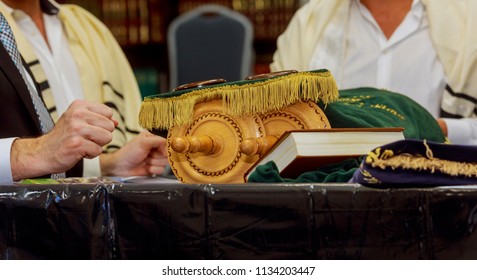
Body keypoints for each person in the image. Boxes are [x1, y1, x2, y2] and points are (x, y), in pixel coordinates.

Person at [0, 0, 169, 183]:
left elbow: (59, 156)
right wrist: (40, 151)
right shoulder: (5, 32)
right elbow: (46, 154)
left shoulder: (85, 26)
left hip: (88, 200)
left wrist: (111, 164)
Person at [271, 0, 477, 145]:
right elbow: (274, 125)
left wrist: (440, 129)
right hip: (332, 196)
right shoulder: (309, 26)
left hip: (444, 196)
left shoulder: (469, 22)